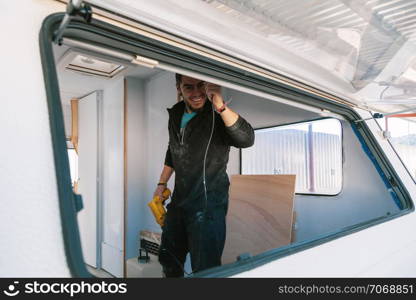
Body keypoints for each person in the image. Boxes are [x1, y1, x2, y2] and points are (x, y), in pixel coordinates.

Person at [154, 74, 254, 277]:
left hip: (208, 206)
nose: (197, 93)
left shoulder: (217, 115)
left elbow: (247, 139)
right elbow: (172, 150)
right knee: (168, 259)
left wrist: (220, 104)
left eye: (201, 86)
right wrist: (161, 183)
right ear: (178, 88)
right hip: (180, 201)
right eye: (188, 87)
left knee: (206, 269)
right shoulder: (176, 114)